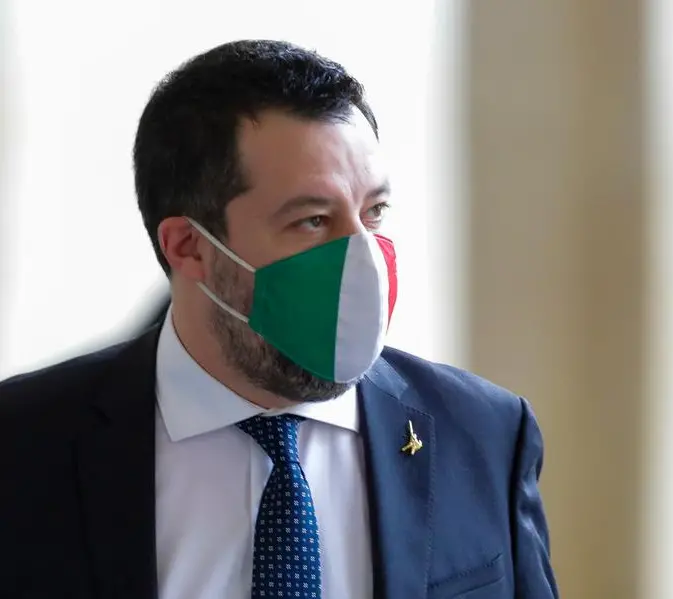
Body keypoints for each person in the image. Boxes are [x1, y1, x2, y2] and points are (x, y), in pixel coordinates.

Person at [0, 40, 558, 599]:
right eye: (312, 221)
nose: (361, 257)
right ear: (190, 246)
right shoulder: (23, 445)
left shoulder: (483, 434)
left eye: (373, 213)